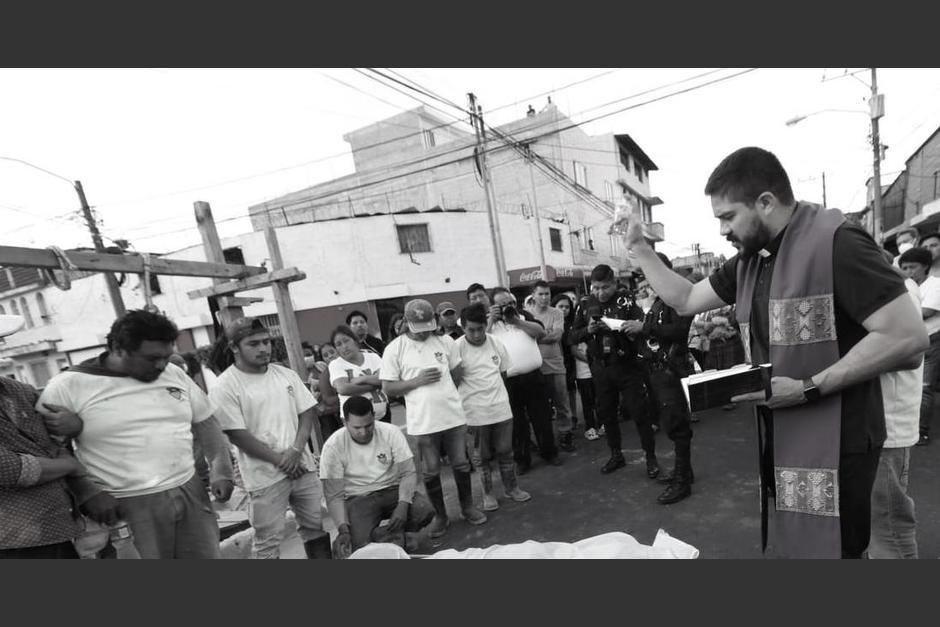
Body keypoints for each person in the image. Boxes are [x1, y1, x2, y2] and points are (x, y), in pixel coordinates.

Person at [620, 146, 926, 558]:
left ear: (765, 202)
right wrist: (639, 248)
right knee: (802, 546)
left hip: (841, 436)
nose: (722, 231)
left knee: (841, 550)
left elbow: (906, 338)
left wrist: (807, 388)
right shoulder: (751, 259)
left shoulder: (838, 241)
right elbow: (687, 298)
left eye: (728, 217)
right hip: (782, 429)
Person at [38, 309, 235, 559]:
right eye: (152, 358)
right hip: (124, 504)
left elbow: (205, 421)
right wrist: (86, 491)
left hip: (189, 491)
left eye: (166, 356)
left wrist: (221, 467)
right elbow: (49, 450)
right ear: (118, 349)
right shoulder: (67, 386)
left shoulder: (172, 373)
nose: (162, 365)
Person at [209, 317, 329, 559]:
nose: (264, 349)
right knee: (268, 541)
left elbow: (306, 412)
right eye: (254, 344)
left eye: (266, 342)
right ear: (234, 347)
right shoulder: (225, 386)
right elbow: (237, 434)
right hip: (264, 476)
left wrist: (295, 451)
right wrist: (281, 461)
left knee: (314, 527)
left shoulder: (285, 374)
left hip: (302, 466)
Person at [1, 314, 109, 559]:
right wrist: (69, 466)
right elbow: (9, 469)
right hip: (10, 542)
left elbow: (55, 441)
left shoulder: (19, 391)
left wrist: (73, 426)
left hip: (59, 527)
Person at [381, 298, 487, 538]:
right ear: (407, 323)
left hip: (453, 418)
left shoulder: (445, 341)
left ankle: (467, 507)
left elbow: (457, 373)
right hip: (423, 423)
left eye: (428, 326)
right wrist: (416, 382)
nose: (424, 333)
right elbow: (388, 388)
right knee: (430, 471)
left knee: (461, 464)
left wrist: (445, 396)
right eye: (418, 328)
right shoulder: (395, 349)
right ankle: (441, 516)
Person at [321, 396, 436, 557]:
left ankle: (395, 535)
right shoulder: (333, 446)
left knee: (424, 509)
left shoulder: (390, 432)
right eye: (357, 428)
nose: (363, 432)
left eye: (369, 425)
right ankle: (388, 538)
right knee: (357, 546)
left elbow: (408, 472)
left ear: (374, 417)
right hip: (357, 498)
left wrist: (403, 505)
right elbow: (334, 495)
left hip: (391, 489)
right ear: (344, 422)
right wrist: (343, 529)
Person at [568, 264, 651, 475]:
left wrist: (618, 326)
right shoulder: (585, 304)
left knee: (639, 413)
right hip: (601, 369)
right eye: (596, 287)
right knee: (606, 414)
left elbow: (643, 327)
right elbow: (572, 336)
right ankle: (616, 454)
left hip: (627, 366)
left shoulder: (627, 300)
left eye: (605, 287)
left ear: (614, 283)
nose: (600, 292)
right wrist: (588, 330)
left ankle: (651, 458)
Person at [626, 262, 696, 504]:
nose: (643, 284)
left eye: (647, 277)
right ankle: (684, 472)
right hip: (657, 371)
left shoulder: (676, 297)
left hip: (670, 371)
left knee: (678, 426)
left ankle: (682, 482)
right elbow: (658, 333)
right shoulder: (657, 301)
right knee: (670, 423)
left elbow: (679, 331)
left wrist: (644, 327)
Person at [455, 303, 531, 511]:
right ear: (463, 327)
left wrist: (496, 397)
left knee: (506, 453)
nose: (477, 334)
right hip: (474, 413)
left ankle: (512, 488)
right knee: (481, 459)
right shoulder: (456, 348)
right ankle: (488, 494)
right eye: (471, 330)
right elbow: (454, 381)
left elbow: (503, 373)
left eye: (480, 329)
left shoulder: (496, 342)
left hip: (500, 409)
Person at [870, 253, 921, 558]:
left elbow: (905, 352)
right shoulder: (893, 287)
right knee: (880, 525)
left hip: (888, 428)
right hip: (878, 425)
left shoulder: (895, 290)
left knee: (889, 527)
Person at [484, 285, 562, 473]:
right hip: (509, 382)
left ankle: (549, 453)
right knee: (517, 426)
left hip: (534, 378)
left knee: (542, 418)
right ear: (493, 306)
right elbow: (480, 343)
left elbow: (540, 332)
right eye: (503, 305)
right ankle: (522, 460)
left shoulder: (524, 316)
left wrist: (516, 321)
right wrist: (491, 320)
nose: (509, 306)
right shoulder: (490, 325)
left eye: (511, 302)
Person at [898, 245, 940, 446]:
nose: (908, 272)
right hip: (910, 342)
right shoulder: (906, 286)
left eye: (912, 267)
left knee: (925, 388)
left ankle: (922, 431)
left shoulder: (935, 285)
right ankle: (910, 429)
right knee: (908, 386)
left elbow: (926, 312)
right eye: (904, 268)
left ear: (925, 266)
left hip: (931, 342)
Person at [527, 281, 575, 452]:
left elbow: (556, 336)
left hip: (555, 365)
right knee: (539, 408)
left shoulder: (556, 313)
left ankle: (565, 435)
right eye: (541, 294)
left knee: (562, 402)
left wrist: (535, 336)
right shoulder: (526, 315)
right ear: (533, 295)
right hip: (534, 367)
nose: (545, 297)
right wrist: (544, 334)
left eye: (547, 293)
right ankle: (544, 441)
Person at [329, 325, 390, 424]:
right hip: (355, 421)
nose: (344, 346)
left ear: (355, 340)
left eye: (346, 341)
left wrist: (363, 379)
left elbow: (385, 378)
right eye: (338, 344)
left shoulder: (373, 357)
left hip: (383, 414)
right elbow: (343, 389)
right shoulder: (336, 364)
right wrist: (375, 384)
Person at [552, 293, 581, 433]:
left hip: (570, 361)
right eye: (560, 306)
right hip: (555, 362)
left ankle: (573, 417)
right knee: (559, 394)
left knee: (571, 391)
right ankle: (564, 421)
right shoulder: (550, 323)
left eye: (567, 307)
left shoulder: (573, 324)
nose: (564, 309)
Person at [313, 342, 343, 441]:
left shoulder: (348, 366)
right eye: (325, 355)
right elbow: (328, 400)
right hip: (339, 417)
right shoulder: (325, 375)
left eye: (332, 352)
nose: (330, 356)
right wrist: (348, 393)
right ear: (323, 360)